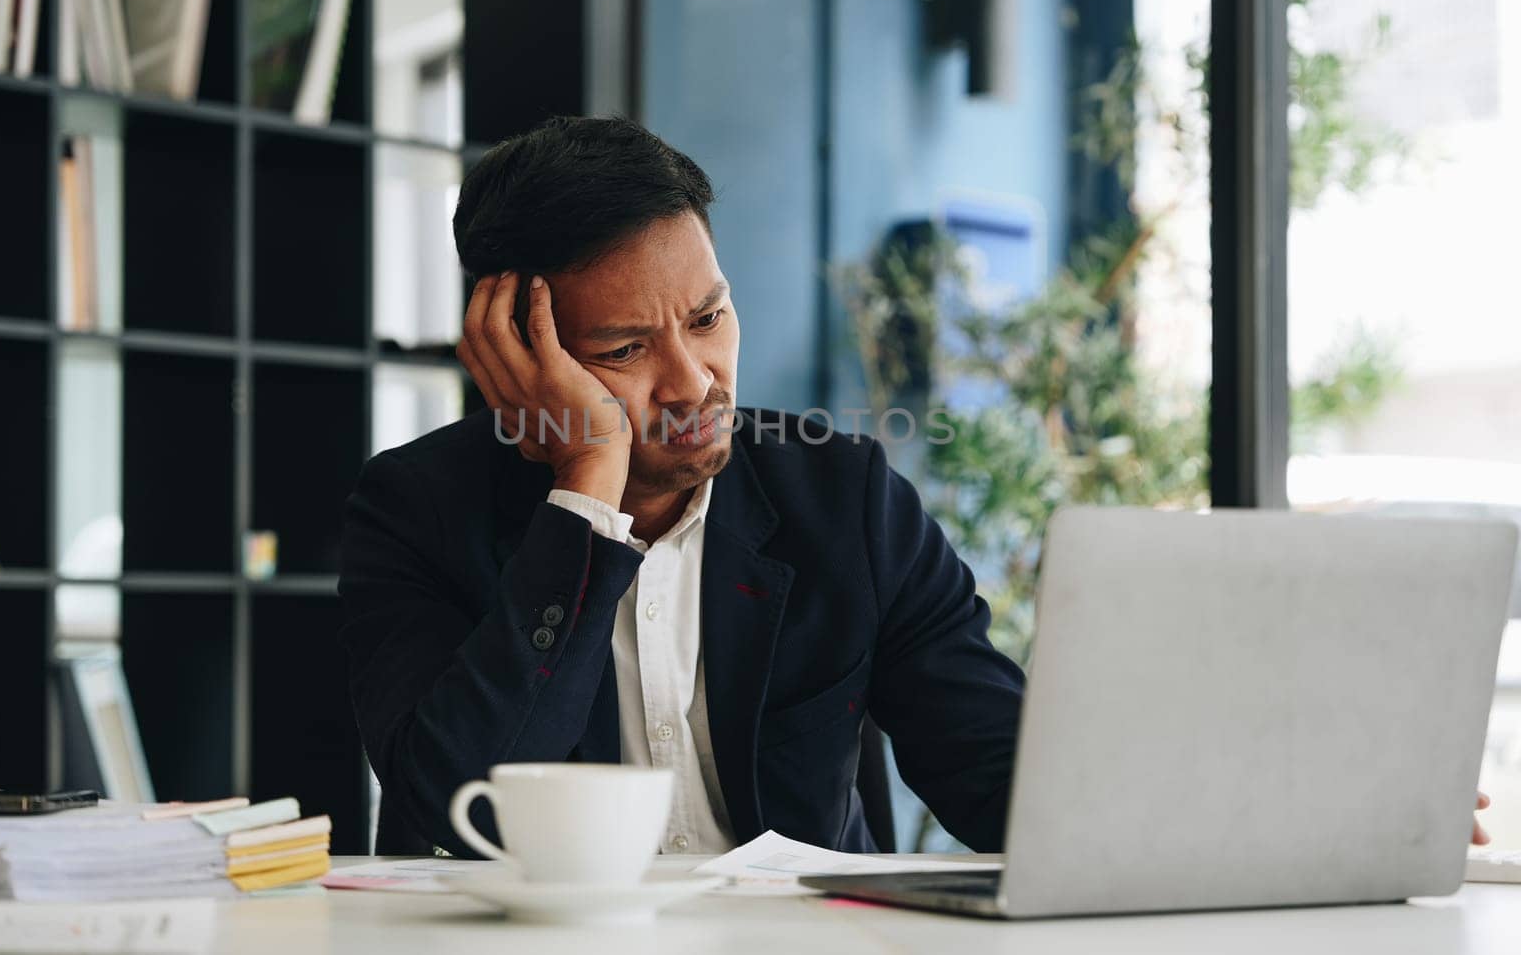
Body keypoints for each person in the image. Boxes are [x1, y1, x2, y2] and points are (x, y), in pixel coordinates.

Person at [338, 115, 1492, 856]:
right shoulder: (413, 511)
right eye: (624, 349)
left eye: (708, 315)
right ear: (513, 348)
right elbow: (455, 807)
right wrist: (584, 490)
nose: (694, 377)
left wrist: (1297, 815)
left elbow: (1005, 777)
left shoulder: (842, 497)